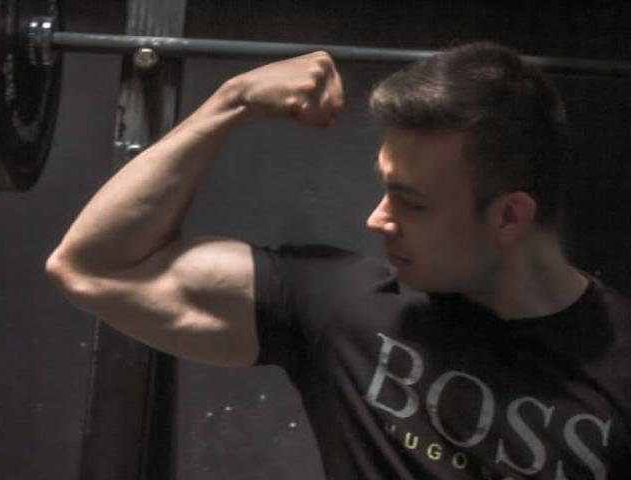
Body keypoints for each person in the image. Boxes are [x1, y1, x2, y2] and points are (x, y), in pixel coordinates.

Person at [45, 42, 630, 479]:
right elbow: (91, 268)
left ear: (509, 217)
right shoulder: (347, 308)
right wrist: (231, 101)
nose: (377, 219)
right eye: (386, 189)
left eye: (412, 202)